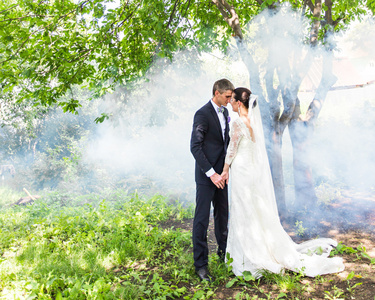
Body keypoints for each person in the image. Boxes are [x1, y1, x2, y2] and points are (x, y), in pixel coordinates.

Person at [221, 87, 345, 278]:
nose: (230, 102)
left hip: (242, 171)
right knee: (252, 209)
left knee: (243, 209)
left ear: (239, 103)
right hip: (251, 171)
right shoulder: (254, 122)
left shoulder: (238, 122)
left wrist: (224, 170)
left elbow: (232, 149)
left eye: (232, 100)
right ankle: (258, 247)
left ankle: (248, 254)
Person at [190, 78, 235, 281]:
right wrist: (212, 173)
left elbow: (225, 144)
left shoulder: (226, 112)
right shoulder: (202, 114)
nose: (230, 99)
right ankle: (201, 265)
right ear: (217, 93)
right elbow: (195, 147)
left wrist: (225, 171)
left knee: (222, 217)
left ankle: (223, 254)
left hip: (222, 175)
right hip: (207, 176)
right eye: (227, 96)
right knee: (201, 220)